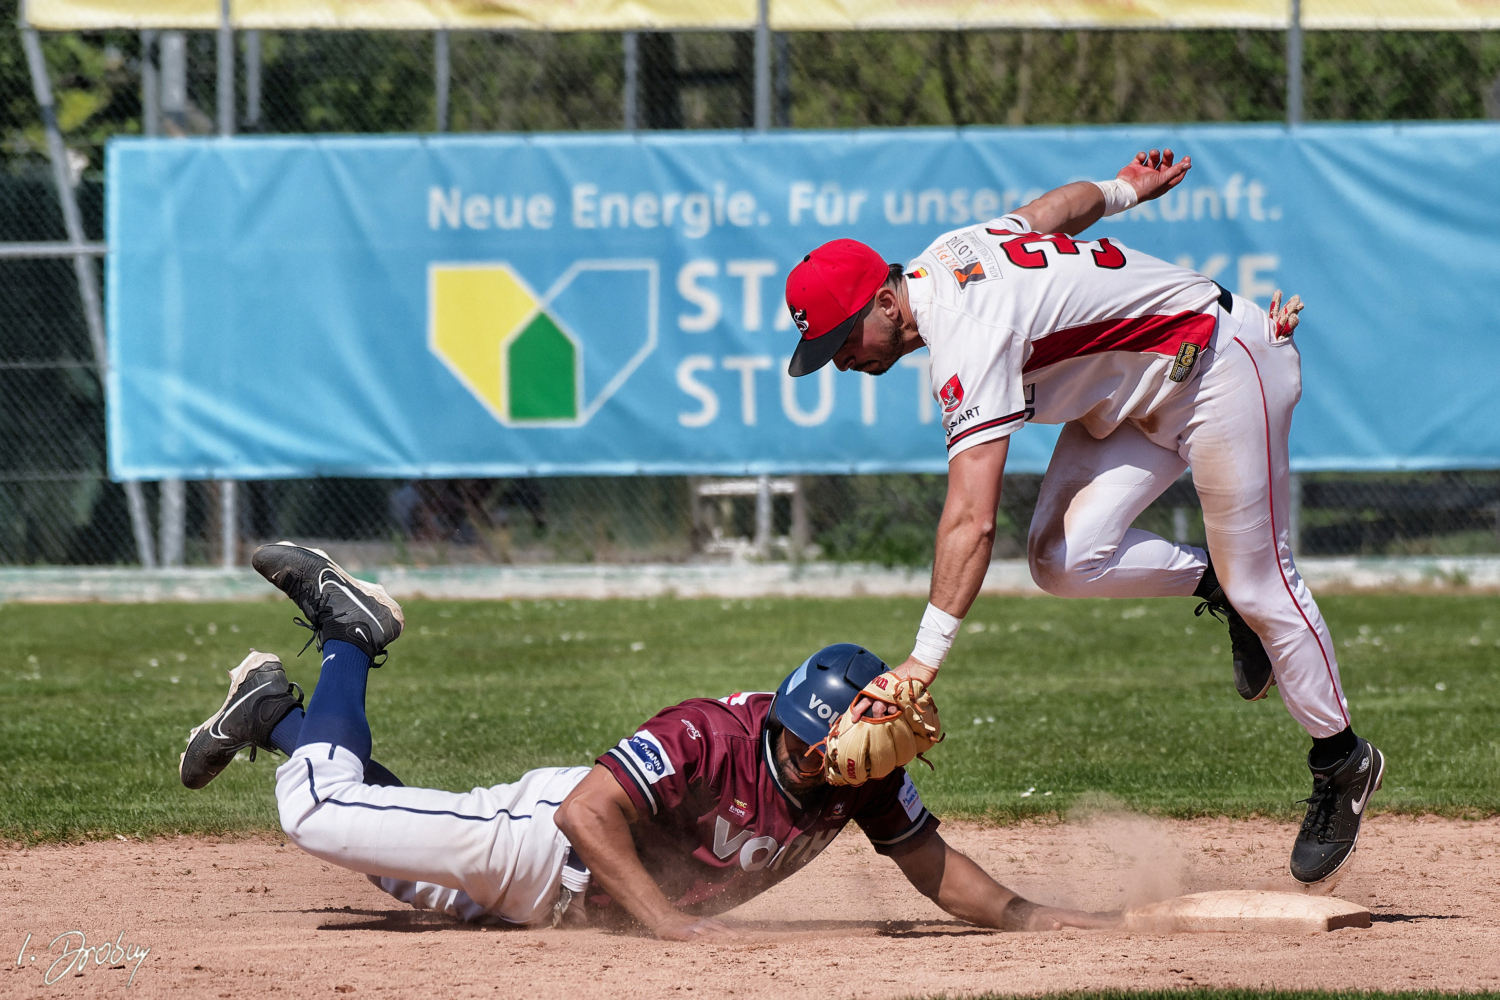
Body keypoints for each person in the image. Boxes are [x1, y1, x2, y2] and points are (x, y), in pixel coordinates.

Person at [783, 149, 1384, 886]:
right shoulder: (947, 257)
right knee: (1062, 560)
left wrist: (923, 662)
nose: (838, 359)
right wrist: (1124, 189)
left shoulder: (966, 329)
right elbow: (1052, 212)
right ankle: (1213, 587)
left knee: (1264, 583)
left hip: (1219, 368)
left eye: (841, 339)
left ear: (884, 299)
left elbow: (970, 519)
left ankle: (1342, 759)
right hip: (1130, 399)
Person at [178, 541, 1113, 936]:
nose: (889, 733)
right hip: (543, 845)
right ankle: (349, 636)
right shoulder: (709, 735)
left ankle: (274, 712)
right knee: (320, 812)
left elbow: (933, 866)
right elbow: (589, 813)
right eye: (870, 716)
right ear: (810, 725)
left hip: (562, 911)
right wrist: (669, 928)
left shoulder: (855, 782)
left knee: (381, 851)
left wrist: (1032, 918)